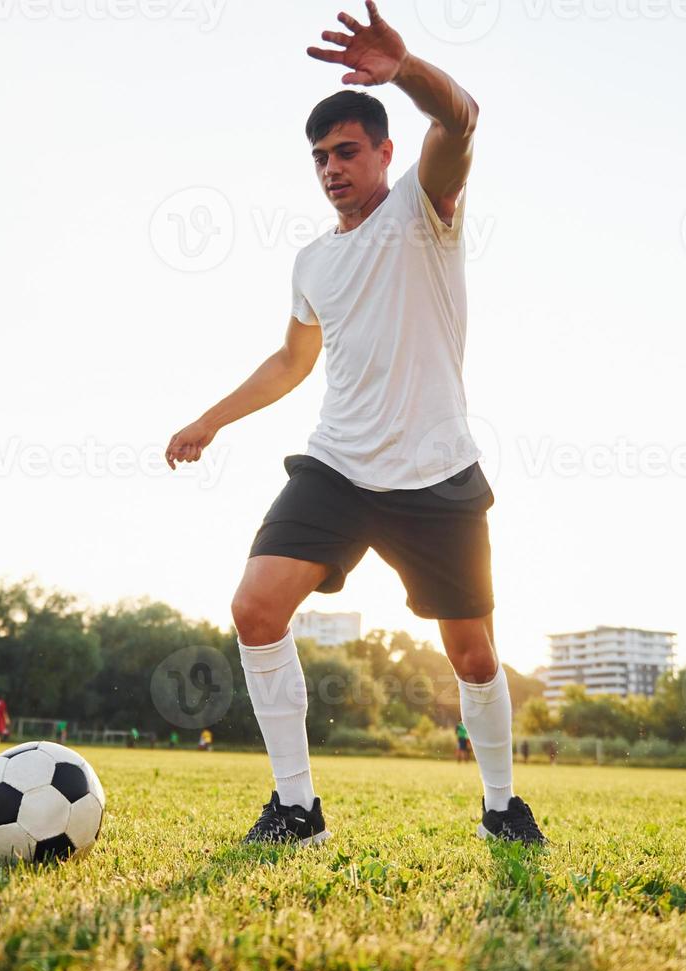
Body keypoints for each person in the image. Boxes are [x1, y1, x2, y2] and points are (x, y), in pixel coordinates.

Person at [163, 3, 542, 850]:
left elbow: (463, 117)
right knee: (256, 610)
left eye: (346, 152)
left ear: (384, 152)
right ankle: (297, 810)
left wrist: (403, 70)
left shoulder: (425, 210)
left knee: (474, 657)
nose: (331, 168)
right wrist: (209, 421)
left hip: (437, 472)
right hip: (336, 468)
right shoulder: (312, 261)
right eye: (319, 157)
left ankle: (501, 807)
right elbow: (292, 363)